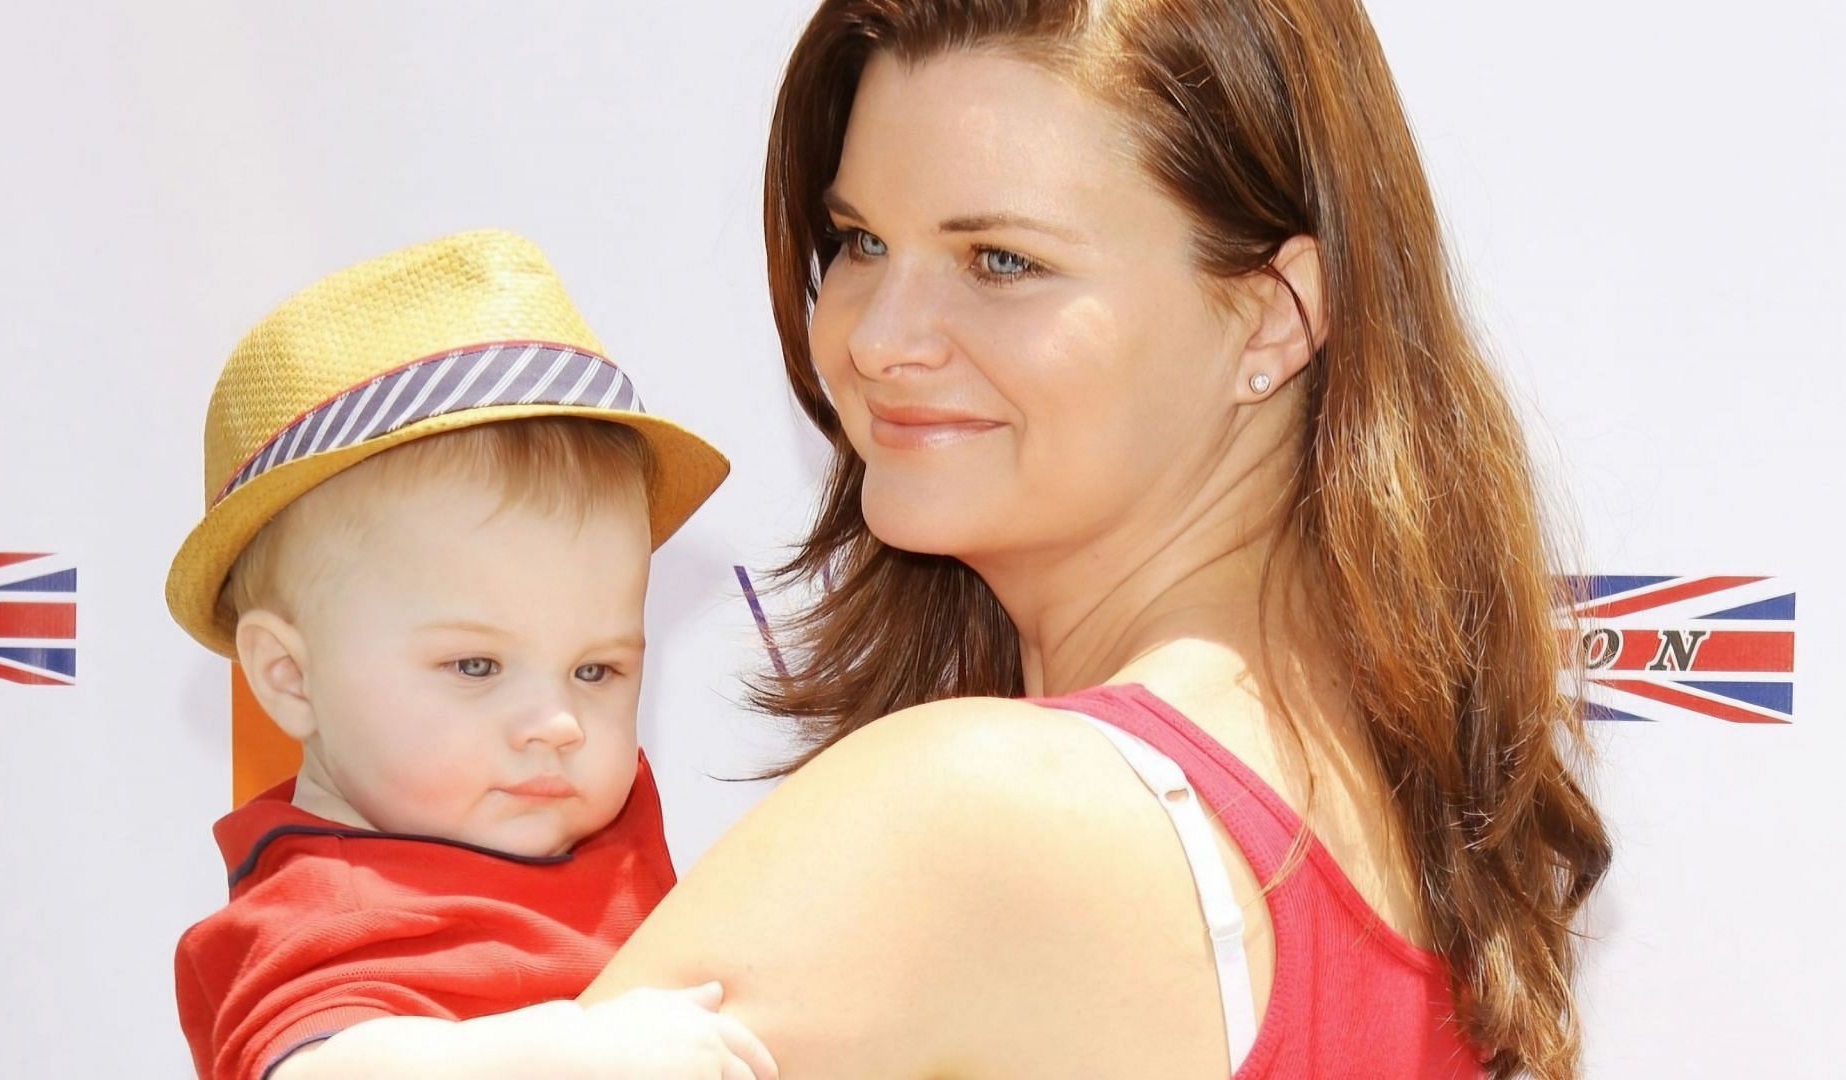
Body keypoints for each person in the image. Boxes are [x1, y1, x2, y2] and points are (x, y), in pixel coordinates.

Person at [577, 2, 1612, 1078]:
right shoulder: (1370, 811)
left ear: (1273, 317)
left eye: (1002, 262)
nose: (877, 340)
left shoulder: (982, 822)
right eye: (860, 243)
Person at [166, 230, 777, 1080]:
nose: (558, 723)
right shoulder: (317, 909)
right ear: (290, 677)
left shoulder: (613, 835)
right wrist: (572, 1056)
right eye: (477, 668)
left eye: (596, 670)